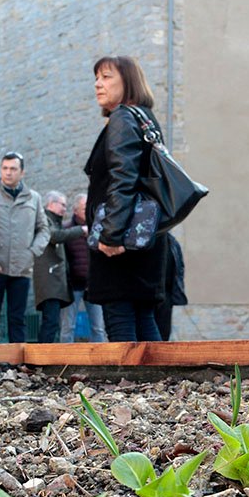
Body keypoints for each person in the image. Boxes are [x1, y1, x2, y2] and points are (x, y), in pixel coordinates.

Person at [85, 55, 169, 342]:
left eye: (106, 77)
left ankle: (130, 385)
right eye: (96, 77)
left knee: (120, 320)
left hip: (121, 241)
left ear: (128, 81)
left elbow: (124, 178)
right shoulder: (144, 119)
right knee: (144, 319)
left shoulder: (122, 118)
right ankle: (158, 385)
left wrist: (111, 235)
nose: (98, 84)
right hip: (144, 237)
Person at [0, 152, 50, 343]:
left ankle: (18, 366)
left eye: (13, 169)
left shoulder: (34, 198)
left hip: (22, 269)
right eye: (5, 168)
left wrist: (32, 252)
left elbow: (44, 229)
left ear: (22, 172)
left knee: (17, 320)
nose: (8, 173)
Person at [33, 191, 85, 343]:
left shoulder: (54, 221)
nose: (65, 209)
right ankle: (40, 360)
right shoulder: (44, 220)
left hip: (54, 282)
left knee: (52, 322)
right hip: (49, 281)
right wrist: (81, 230)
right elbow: (54, 236)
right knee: (51, 322)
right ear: (51, 204)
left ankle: (42, 359)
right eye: (62, 204)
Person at [60, 193, 106, 343]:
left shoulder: (98, 229)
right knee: (68, 326)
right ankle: (65, 361)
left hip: (94, 286)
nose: (88, 211)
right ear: (75, 210)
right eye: (84, 208)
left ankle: (100, 362)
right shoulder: (66, 230)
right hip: (72, 285)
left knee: (98, 327)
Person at [155, 233, 187, 341]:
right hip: (149, 294)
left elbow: (179, 268)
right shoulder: (145, 240)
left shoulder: (171, 241)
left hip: (166, 295)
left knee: (163, 335)